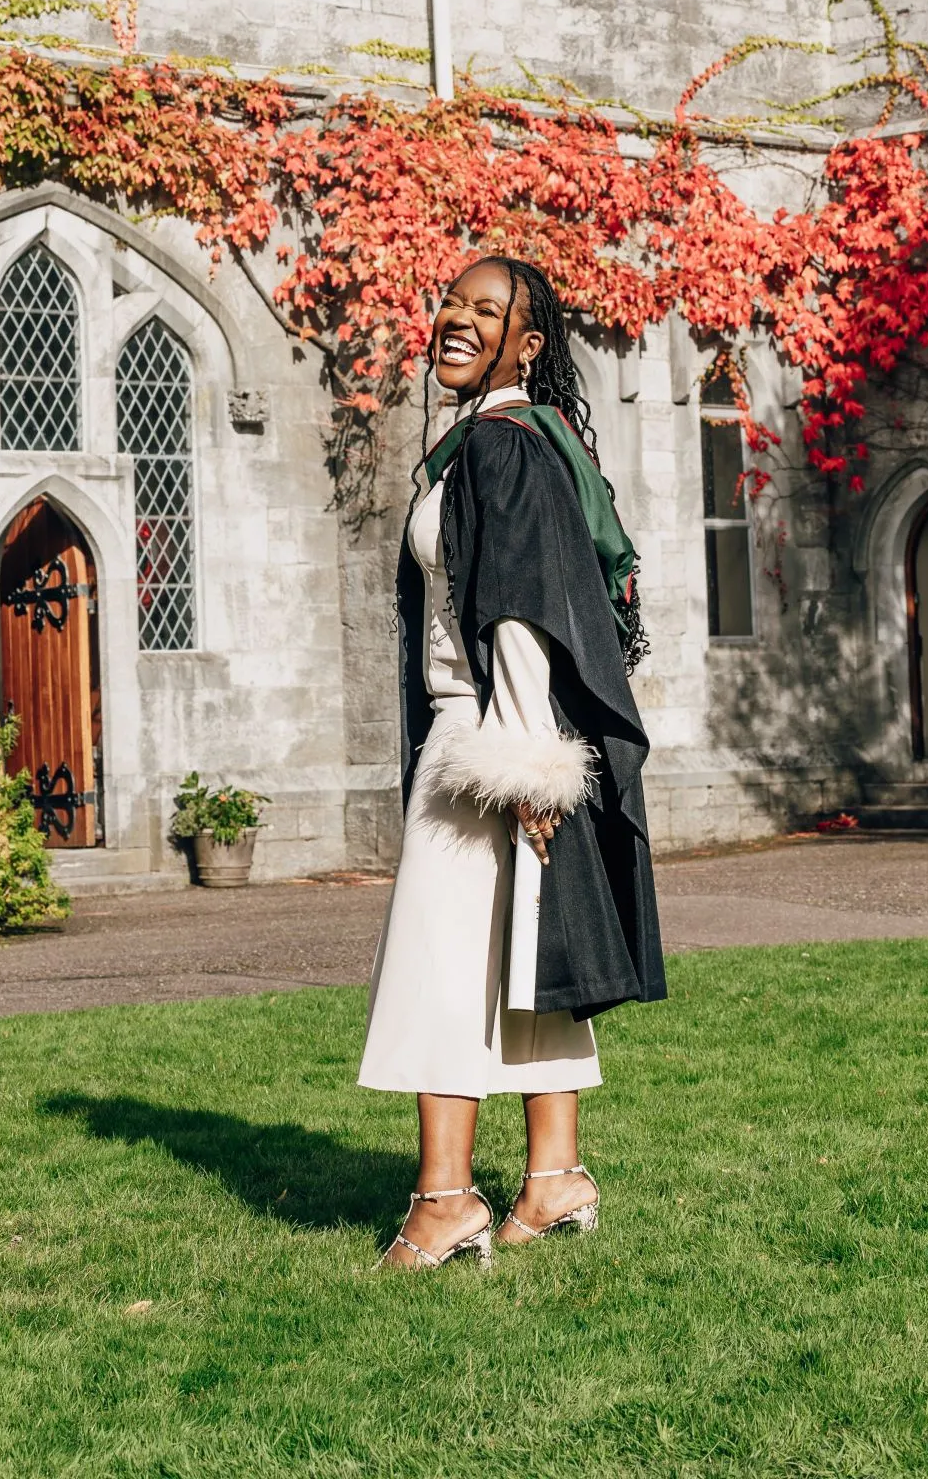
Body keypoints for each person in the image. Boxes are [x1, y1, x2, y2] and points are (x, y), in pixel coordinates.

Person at [358, 255, 666, 1268]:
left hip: (488, 735)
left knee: (437, 965)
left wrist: (531, 764)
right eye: (453, 301)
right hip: (500, 729)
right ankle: (555, 1175)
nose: (456, 318)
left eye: (486, 311)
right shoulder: (501, 441)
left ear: (527, 345)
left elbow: (525, 611)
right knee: (529, 954)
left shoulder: (501, 442)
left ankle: (446, 1200)